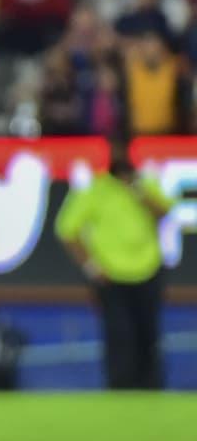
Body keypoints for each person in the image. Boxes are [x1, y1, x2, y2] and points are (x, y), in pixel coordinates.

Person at [55, 134, 174, 389]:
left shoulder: (146, 183)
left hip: (147, 269)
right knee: (119, 336)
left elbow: (164, 213)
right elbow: (67, 230)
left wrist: (137, 189)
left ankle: (152, 390)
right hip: (110, 274)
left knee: (148, 335)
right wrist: (91, 267)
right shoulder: (95, 189)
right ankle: (120, 390)